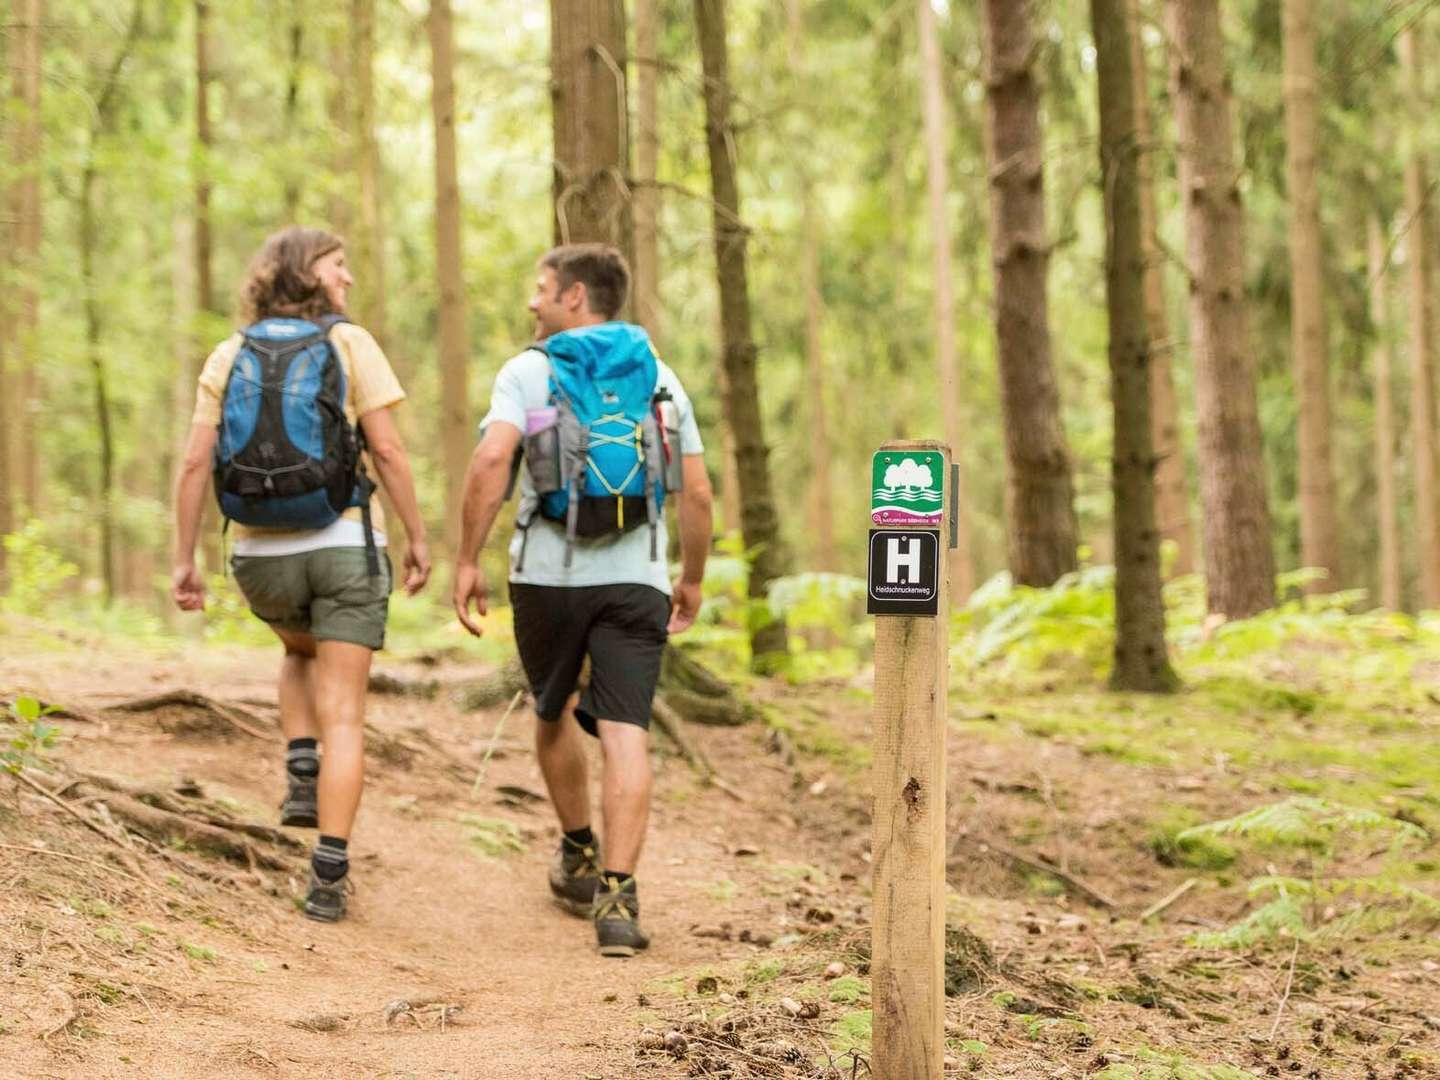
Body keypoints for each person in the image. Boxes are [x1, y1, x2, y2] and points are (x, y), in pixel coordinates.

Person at [453, 243, 712, 957]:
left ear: (575, 297)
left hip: (545, 578)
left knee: (553, 707)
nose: (532, 302)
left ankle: (577, 853)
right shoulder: (660, 378)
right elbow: (696, 492)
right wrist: (689, 577)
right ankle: (620, 904)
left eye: (541, 289)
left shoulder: (528, 372)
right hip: (636, 580)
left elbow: (488, 462)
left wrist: (466, 558)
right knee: (628, 729)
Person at [171, 226, 430, 923]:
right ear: (307, 275)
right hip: (343, 542)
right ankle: (328, 875)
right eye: (338, 266)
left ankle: (299, 765)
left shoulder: (231, 352)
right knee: (346, 711)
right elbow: (390, 451)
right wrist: (417, 536)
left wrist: (184, 558)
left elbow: (196, 463)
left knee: (296, 647)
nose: (347, 279)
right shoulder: (350, 344)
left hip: (259, 557)